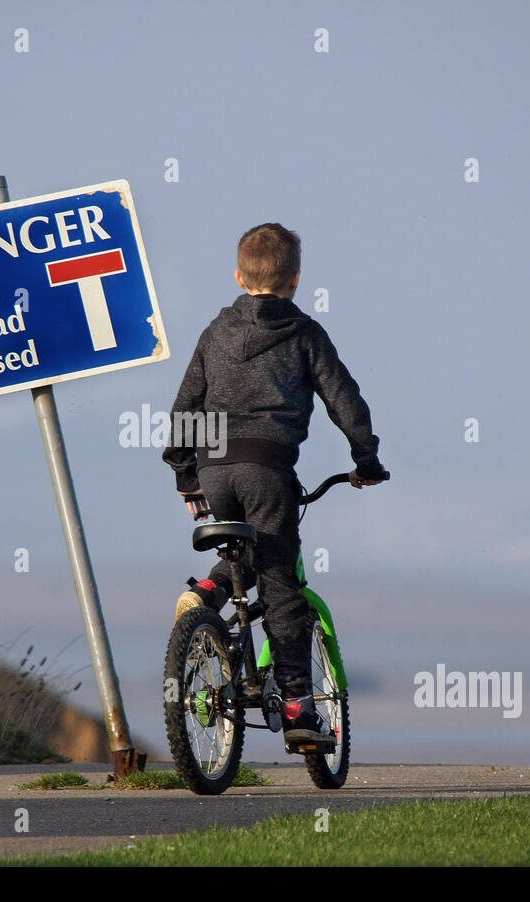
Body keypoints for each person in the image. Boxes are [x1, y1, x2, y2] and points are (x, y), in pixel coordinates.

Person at [162, 222, 389, 751]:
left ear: (239, 277)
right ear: (296, 278)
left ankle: (208, 593)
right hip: (268, 467)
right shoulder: (306, 334)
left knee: (247, 547)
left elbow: (185, 407)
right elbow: (344, 400)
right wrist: (366, 458)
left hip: (215, 468)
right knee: (282, 583)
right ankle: (296, 707)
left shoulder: (215, 332)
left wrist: (184, 473)